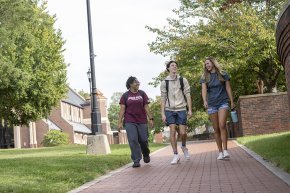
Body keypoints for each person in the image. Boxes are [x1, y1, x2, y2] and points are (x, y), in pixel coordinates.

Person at [200, 57, 234, 160]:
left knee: (222, 125)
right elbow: (204, 89)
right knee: (216, 128)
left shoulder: (223, 74)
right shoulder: (204, 77)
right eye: (206, 64)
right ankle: (220, 152)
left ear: (213, 63)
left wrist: (232, 101)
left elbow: (228, 88)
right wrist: (205, 101)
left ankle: (226, 150)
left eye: (208, 63)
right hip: (211, 104)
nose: (207, 65)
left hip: (223, 102)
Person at [160, 61, 192, 165]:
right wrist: (162, 113)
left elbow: (188, 95)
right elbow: (163, 98)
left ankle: (183, 146)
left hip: (181, 108)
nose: (174, 67)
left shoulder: (183, 80)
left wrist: (190, 109)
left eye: (175, 65)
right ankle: (175, 155)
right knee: (172, 131)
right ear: (168, 68)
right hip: (169, 109)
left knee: (183, 133)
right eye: (172, 65)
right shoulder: (165, 82)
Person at [118, 76, 154, 168]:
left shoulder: (142, 94)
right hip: (130, 120)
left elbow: (146, 107)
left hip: (142, 120)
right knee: (133, 140)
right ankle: (136, 160)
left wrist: (151, 118)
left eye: (138, 82)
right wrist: (120, 122)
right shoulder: (125, 96)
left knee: (143, 140)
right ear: (130, 84)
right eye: (135, 82)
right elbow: (122, 109)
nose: (138, 83)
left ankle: (146, 154)